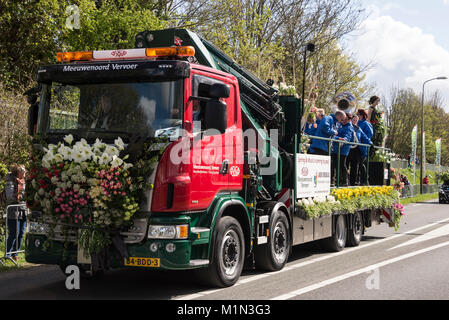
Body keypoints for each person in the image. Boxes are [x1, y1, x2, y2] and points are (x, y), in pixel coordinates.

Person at [4, 164, 28, 261]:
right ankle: (8, 254)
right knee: (14, 233)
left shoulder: (23, 181)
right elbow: (10, 197)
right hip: (14, 210)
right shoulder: (10, 182)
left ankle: (15, 253)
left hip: (23, 210)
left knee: (21, 233)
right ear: (19, 172)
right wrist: (23, 199)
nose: (25, 173)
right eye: (23, 171)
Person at [331, 111, 354, 186]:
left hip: (343, 149)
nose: (344, 121)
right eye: (343, 119)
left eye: (346, 119)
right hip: (335, 147)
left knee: (342, 164)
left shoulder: (349, 127)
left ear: (349, 120)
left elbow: (347, 137)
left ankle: (345, 181)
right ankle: (335, 180)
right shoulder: (339, 124)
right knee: (334, 164)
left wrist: (342, 142)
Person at [357, 109, 374, 184]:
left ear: (362, 115)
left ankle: (365, 180)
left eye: (359, 114)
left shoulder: (366, 124)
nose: (357, 116)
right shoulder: (356, 122)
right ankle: (358, 180)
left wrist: (362, 137)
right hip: (356, 146)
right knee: (357, 163)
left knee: (361, 163)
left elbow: (369, 135)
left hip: (363, 146)